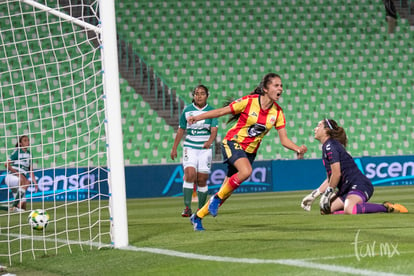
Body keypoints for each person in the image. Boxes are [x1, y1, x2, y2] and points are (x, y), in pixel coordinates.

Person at [187, 73, 308, 231]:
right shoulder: (249, 101)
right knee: (246, 172)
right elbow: (221, 112)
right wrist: (198, 117)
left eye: (281, 86)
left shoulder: (278, 113)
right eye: (276, 85)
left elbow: (284, 140)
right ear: (265, 89)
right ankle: (215, 200)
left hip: (249, 153)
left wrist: (297, 148)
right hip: (233, 142)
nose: (280, 89)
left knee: (225, 191)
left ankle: (197, 217)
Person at [301, 119, 408, 214]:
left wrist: (327, 194)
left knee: (349, 208)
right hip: (346, 189)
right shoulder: (327, 146)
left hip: (360, 185)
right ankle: (357, 207)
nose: (315, 128)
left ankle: (386, 207)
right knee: (325, 210)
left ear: (327, 130)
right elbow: (331, 178)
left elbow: (337, 174)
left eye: (318, 126)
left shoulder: (330, 146)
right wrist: (313, 195)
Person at [171, 85, 218, 217]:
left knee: (202, 179)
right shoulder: (187, 111)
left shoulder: (212, 112)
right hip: (190, 147)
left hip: (205, 149)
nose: (199, 96)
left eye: (202, 93)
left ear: (207, 95)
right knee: (190, 175)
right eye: (196, 93)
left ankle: (201, 209)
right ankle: (187, 207)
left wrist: (209, 142)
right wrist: (174, 148)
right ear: (193, 95)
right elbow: (181, 130)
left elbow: (214, 130)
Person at [4, 135, 38, 212]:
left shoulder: (29, 154)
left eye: (28, 140)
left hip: (19, 181)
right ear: (20, 143)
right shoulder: (17, 151)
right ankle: (14, 204)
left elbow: (31, 170)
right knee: (26, 182)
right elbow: (6, 164)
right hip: (12, 177)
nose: (27, 142)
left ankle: (9, 207)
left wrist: (35, 182)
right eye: (25, 141)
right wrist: (17, 173)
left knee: (22, 209)